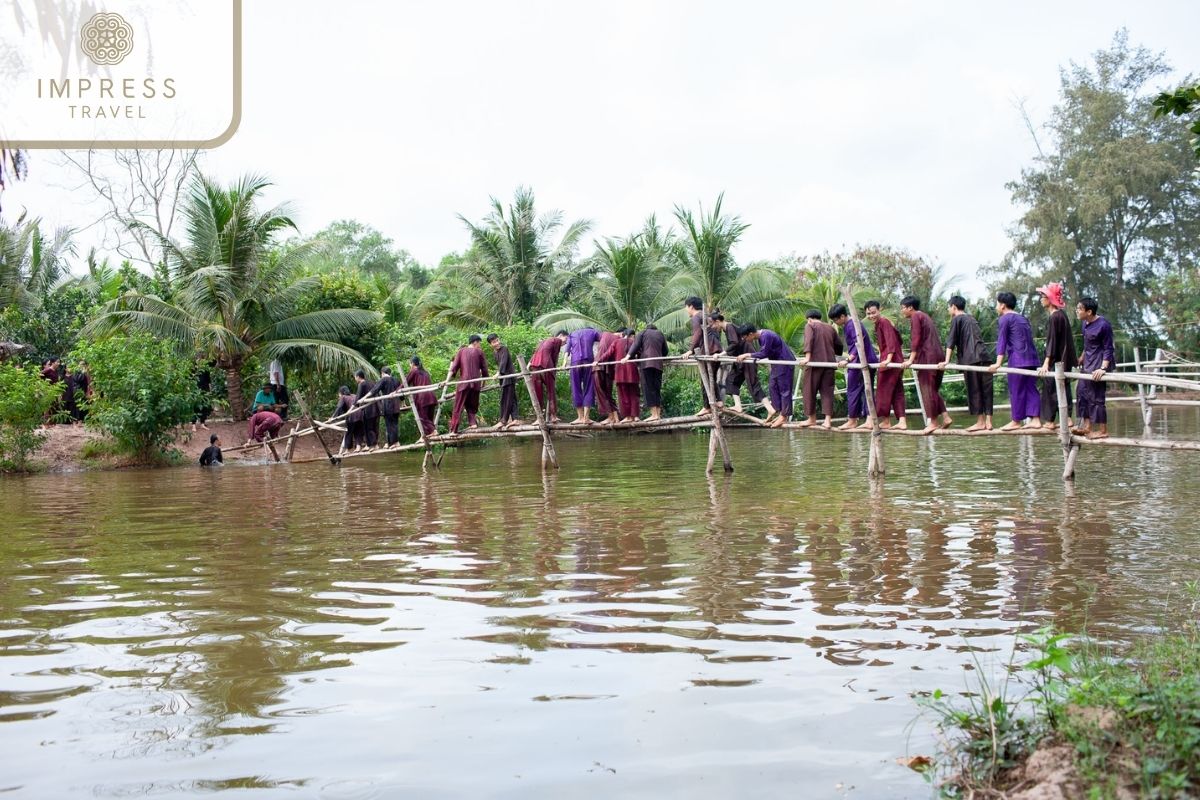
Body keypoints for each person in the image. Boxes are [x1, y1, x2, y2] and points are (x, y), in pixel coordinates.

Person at [989, 291, 1043, 431]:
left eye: (997, 304)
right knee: (1031, 388)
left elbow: (1002, 341)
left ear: (1003, 306)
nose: (996, 307)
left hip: (1018, 360)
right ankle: (1036, 419)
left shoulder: (1005, 319)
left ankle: (1016, 420)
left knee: (1016, 389)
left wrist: (998, 363)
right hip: (1031, 359)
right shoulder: (1023, 318)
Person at [940, 295, 994, 432]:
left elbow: (950, 342)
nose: (948, 310)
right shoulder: (972, 318)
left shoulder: (957, 319)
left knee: (975, 389)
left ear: (954, 307)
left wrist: (946, 361)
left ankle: (980, 422)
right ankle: (989, 421)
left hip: (971, 359)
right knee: (986, 389)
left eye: (949, 307)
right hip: (984, 356)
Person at [899, 295, 952, 434]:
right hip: (936, 355)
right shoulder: (924, 316)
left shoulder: (916, 316)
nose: (902, 311)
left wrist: (911, 359)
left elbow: (915, 339)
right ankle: (945, 417)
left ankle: (933, 422)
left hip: (928, 357)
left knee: (927, 389)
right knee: (933, 389)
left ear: (910, 307)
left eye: (903, 308)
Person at [1036, 282, 1077, 429]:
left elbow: (1052, 342)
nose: (1041, 299)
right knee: (1062, 387)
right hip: (1063, 360)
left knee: (1051, 388)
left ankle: (1050, 421)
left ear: (1050, 298)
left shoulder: (1055, 317)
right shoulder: (1061, 315)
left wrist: (1046, 363)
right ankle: (1067, 418)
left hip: (1057, 361)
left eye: (1043, 296)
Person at [1073, 297, 1115, 440]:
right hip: (1088, 363)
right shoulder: (1085, 324)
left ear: (1089, 311)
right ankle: (1087, 427)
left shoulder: (1104, 325)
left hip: (1099, 363)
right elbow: (1087, 345)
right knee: (1082, 393)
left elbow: (1109, 348)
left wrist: (1103, 368)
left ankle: (1103, 430)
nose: (1077, 311)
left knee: (1096, 397)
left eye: (1080, 309)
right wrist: (1082, 357)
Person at [831, 304, 876, 430]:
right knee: (865, 390)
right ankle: (865, 419)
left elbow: (859, 343)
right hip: (861, 360)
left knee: (854, 389)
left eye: (836, 320)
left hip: (860, 361)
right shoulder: (850, 325)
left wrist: (849, 358)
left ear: (842, 316)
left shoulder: (852, 325)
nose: (836, 323)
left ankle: (854, 419)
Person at [736, 325, 792, 427]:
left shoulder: (766, 335)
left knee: (784, 390)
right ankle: (778, 411)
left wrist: (747, 355)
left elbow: (764, 353)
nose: (745, 340)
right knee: (772, 386)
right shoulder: (762, 337)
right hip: (777, 364)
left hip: (785, 362)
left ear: (751, 334)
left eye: (745, 338)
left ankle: (784, 416)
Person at [865, 301, 907, 429]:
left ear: (879, 310)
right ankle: (900, 421)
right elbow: (899, 340)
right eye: (868, 314)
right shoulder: (881, 323)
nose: (871, 316)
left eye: (873, 312)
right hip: (894, 360)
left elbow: (891, 341)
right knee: (897, 391)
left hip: (891, 361)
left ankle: (882, 420)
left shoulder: (883, 322)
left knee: (882, 390)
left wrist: (888, 358)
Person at [712, 315, 765, 413]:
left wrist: (720, 354)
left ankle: (770, 408)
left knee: (753, 383)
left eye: (713, 324)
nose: (713, 327)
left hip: (746, 358)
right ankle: (738, 406)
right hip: (740, 359)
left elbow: (734, 343)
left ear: (717, 321)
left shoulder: (729, 327)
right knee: (732, 380)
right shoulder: (726, 329)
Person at [800, 309, 841, 428]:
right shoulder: (830, 327)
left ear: (809, 318)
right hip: (829, 363)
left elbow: (809, 340)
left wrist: (807, 357)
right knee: (827, 392)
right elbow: (838, 345)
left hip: (815, 363)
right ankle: (827, 421)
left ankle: (811, 418)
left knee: (809, 390)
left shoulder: (810, 325)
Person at [683, 296, 722, 415]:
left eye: (686, 307)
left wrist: (690, 350)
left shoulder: (696, 317)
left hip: (708, 350)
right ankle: (719, 401)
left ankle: (707, 406)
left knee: (705, 378)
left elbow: (697, 333)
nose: (686, 310)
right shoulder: (707, 316)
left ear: (691, 306)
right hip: (717, 349)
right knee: (712, 377)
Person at [625, 323, 668, 421]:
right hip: (658, 365)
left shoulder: (642, 333)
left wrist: (628, 357)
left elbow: (635, 346)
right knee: (656, 389)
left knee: (648, 389)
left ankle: (654, 415)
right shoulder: (660, 334)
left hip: (646, 364)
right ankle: (658, 414)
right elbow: (665, 351)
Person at [448, 334, 489, 433]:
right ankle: (473, 424)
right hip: (475, 384)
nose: (479, 345)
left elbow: (454, 368)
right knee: (472, 405)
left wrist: (447, 381)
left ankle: (454, 430)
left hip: (464, 383)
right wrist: (483, 383)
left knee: (458, 406)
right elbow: (484, 370)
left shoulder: (461, 351)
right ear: (475, 342)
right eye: (479, 343)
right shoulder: (479, 352)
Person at [598, 328, 639, 422]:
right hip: (632, 372)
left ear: (623, 334)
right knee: (634, 394)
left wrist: (598, 361)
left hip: (620, 373)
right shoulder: (634, 343)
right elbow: (640, 354)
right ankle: (635, 416)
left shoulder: (616, 342)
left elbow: (607, 354)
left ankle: (628, 417)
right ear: (632, 335)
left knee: (623, 395)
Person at [566, 327, 601, 424]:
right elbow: (603, 340)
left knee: (576, 387)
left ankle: (580, 417)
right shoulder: (593, 331)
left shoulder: (572, 333)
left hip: (575, 362)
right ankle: (586, 418)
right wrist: (598, 358)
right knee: (589, 387)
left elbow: (567, 350)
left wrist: (564, 363)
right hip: (588, 361)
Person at [530, 330, 568, 421]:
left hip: (535, 367)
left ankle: (538, 418)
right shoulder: (557, 340)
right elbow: (555, 357)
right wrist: (554, 372)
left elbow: (534, 355)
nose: (565, 342)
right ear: (561, 335)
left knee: (537, 392)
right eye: (566, 339)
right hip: (546, 365)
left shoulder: (543, 341)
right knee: (551, 391)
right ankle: (553, 416)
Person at [487, 333, 520, 429]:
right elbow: (499, 364)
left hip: (509, 377)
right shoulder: (495, 352)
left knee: (506, 399)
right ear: (491, 344)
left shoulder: (504, 349)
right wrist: (499, 374)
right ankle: (515, 419)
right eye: (494, 342)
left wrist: (498, 373)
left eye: (497, 340)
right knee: (512, 399)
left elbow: (503, 363)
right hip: (504, 378)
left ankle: (503, 420)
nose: (497, 343)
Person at [593, 328, 622, 425]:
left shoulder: (605, 334)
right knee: (607, 393)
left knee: (601, 393)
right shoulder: (618, 340)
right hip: (609, 368)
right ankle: (616, 418)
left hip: (598, 366)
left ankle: (610, 417)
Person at [406, 357, 438, 439]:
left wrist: (396, 391)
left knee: (422, 417)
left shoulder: (414, 371)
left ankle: (433, 431)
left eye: (410, 364)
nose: (410, 366)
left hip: (423, 398)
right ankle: (427, 435)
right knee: (429, 418)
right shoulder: (425, 372)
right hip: (431, 397)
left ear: (412, 364)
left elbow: (405, 383)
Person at [350, 370, 379, 451]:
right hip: (376, 408)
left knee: (369, 427)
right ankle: (374, 445)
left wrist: (351, 409)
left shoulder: (361, 384)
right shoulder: (372, 383)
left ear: (358, 377)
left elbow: (357, 398)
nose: (355, 379)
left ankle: (372, 445)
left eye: (355, 377)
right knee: (374, 427)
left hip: (369, 409)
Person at [376, 366, 401, 449]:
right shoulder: (396, 380)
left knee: (389, 424)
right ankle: (394, 442)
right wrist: (403, 403)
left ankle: (394, 442)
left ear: (382, 373)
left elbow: (375, 389)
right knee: (395, 424)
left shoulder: (384, 380)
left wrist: (366, 397)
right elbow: (401, 393)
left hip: (388, 405)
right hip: (396, 405)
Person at [330, 385, 356, 453]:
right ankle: (358, 447)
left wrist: (333, 417)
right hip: (360, 416)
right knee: (358, 432)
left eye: (339, 394)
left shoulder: (343, 397)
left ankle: (347, 450)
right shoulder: (354, 395)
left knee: (348, 432)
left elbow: (339, 408)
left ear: (341, 393)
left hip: (351, 416)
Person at [192, 365, 212, 432]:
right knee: (195, 407)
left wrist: (209, 391)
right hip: (195, 391)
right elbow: (189, 379)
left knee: (204, 407)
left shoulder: (206, 369)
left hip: (205, 390)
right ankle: (193, 425)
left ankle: (202, 424)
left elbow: (209, 381)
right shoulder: (192, 368)